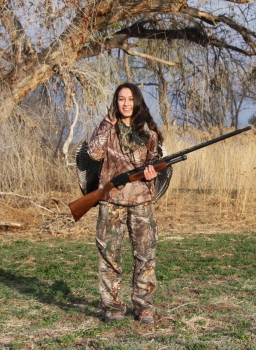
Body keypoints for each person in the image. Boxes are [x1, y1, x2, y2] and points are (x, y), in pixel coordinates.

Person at [87, 82, 164, 324]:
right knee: (110, 255)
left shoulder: (149, 132)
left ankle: (144, 307)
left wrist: (153, 172)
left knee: (145, 255)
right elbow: (93, 153)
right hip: (111, 201)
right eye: (121, 99)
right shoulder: (107, 129)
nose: (126, 103)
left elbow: (156, 161)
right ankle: (113, 307)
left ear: (137, 101)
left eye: (130, 99)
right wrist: (107, 122)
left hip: (142, 201)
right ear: (115, 102)